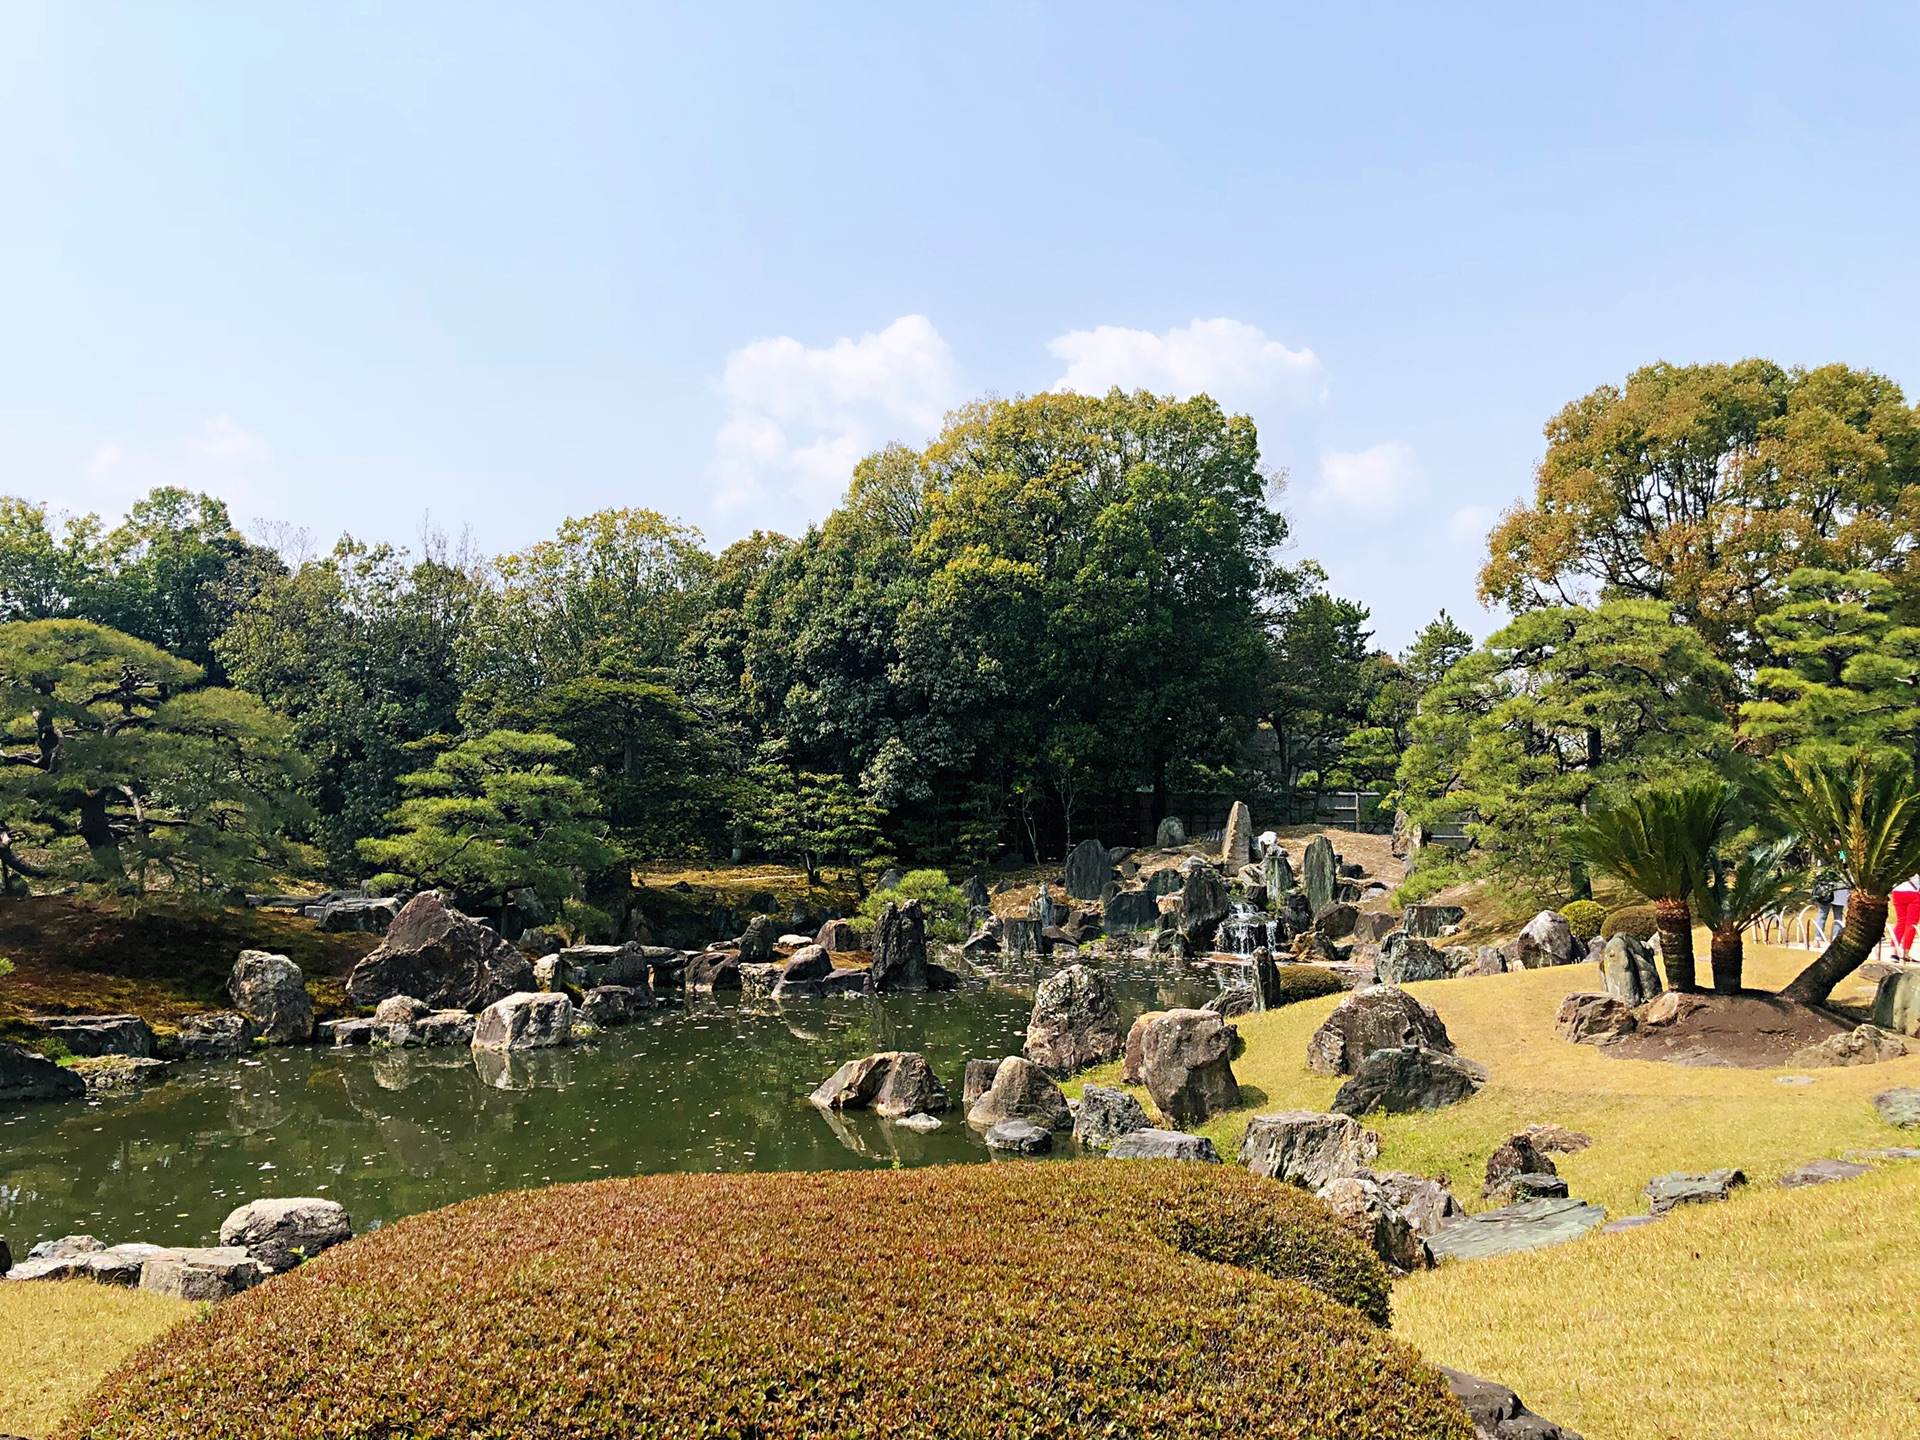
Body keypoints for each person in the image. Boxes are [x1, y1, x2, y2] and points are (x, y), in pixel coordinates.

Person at [1893, 874, 1920, 963]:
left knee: (1901, 922)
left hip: (1897, 891)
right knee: (1911, 924)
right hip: (1913, 892)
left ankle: (1895, 953)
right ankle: (1905, 953)